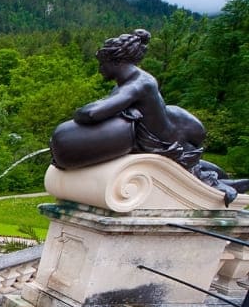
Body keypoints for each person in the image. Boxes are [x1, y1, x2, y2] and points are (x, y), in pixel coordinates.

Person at [51, 28, 247, 204]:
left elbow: (92, 114)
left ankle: (221, 184)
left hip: (161, 142)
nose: (100, 69)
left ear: (116, 62)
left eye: (102, 64)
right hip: (153, 139)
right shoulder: (127, 83)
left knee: (200, 173)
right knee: (202, 168)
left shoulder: (139, 84)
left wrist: (81, 113)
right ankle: (221, 179)